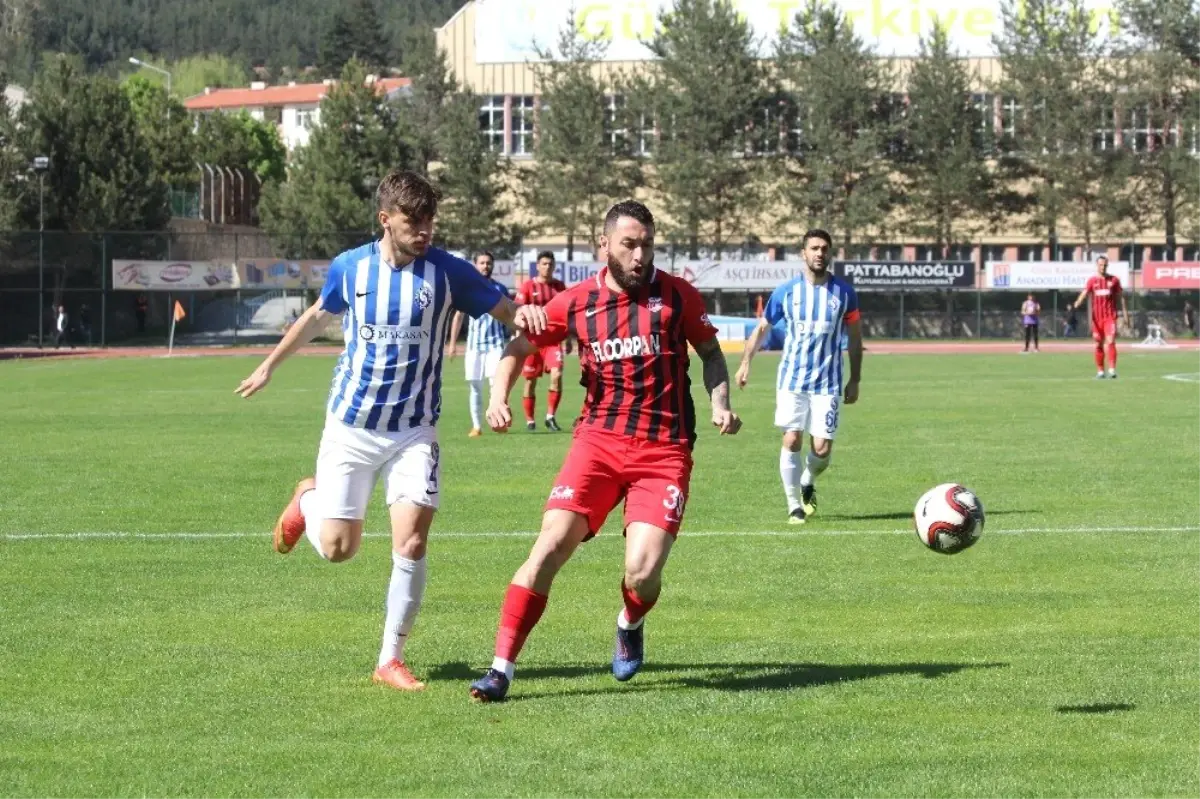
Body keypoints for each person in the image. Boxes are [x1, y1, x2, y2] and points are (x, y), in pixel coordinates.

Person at [234, 170, 546, 692]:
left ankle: (390, 658)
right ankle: (306, 502)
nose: (424, 231)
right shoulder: (350, 268)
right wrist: (269, 366)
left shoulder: (448, 273)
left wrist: (530, 315)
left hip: (413, 431)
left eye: (429, 221)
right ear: (386, 219)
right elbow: (316, 317)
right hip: (351, 427)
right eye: (412, 221)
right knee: (338, 549)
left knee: (413, 540)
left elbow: (508, 311)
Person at [468, 201, 742, 703]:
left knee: (642, 570)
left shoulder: (678, 296)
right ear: (605, 245)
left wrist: (720, 403)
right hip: (597, 444)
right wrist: (496, 398)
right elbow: (517, 348)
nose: (640, 256)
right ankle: (501, 669)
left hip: (664, 451)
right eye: (629, 245)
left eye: (647, 245)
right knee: (549, 545)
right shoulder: (576, 303)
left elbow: (710, 354)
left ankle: (629, 620)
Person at [735, 229, 862, 525]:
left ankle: (807, 479)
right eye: (814, 248)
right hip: (792, 380)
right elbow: (762, 328)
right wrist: (745, 364)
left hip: (827, 383)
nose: (820, 253)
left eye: (824, 249)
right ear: (803, 253)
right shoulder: (786, 292)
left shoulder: (845, 293)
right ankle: (794, 506)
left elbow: (855, 338)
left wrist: (855, 379)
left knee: (822, 449)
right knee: (791, 439)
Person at [447, 251, 511, 437]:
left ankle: (499, 422)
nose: (485, 266)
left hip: (495, 344)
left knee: (495, 383)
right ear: (475, 265)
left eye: (488, 263)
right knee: (475, 385)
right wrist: (452, 344)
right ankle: (477, 426)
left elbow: (509, 314)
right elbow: (458, 316)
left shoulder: (500, 289)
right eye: (482, 263)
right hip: (474, 346)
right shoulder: (468, 288)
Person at [515, 251, 568, 432]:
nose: (547, 267)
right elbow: (519, 312)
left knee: (557, 375)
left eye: (550, 264)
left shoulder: (560, 287)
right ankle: (530, 421)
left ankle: (550, 416)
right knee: (530, 382)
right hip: (532, 341)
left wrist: (569, 337)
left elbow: (568, 314)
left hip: (553, 341)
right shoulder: (528, 287)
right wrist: (518, 338)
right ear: (537, 266)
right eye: (544, 264)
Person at [1071, 255, 1128, 379]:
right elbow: (1084, 293)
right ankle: (1100, 371)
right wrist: (1077, 302)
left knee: (1111, 341)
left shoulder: (1114, 280)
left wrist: (1125, 314)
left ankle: (1112, 370)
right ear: (1097, 266)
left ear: (1107, 265)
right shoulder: (1092, 281)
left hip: (1110, 317)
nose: (1103, 267)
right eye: (1101, 265)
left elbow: (1121, 298)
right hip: (1096, 319)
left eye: (1105, 265)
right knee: (1098, 344)